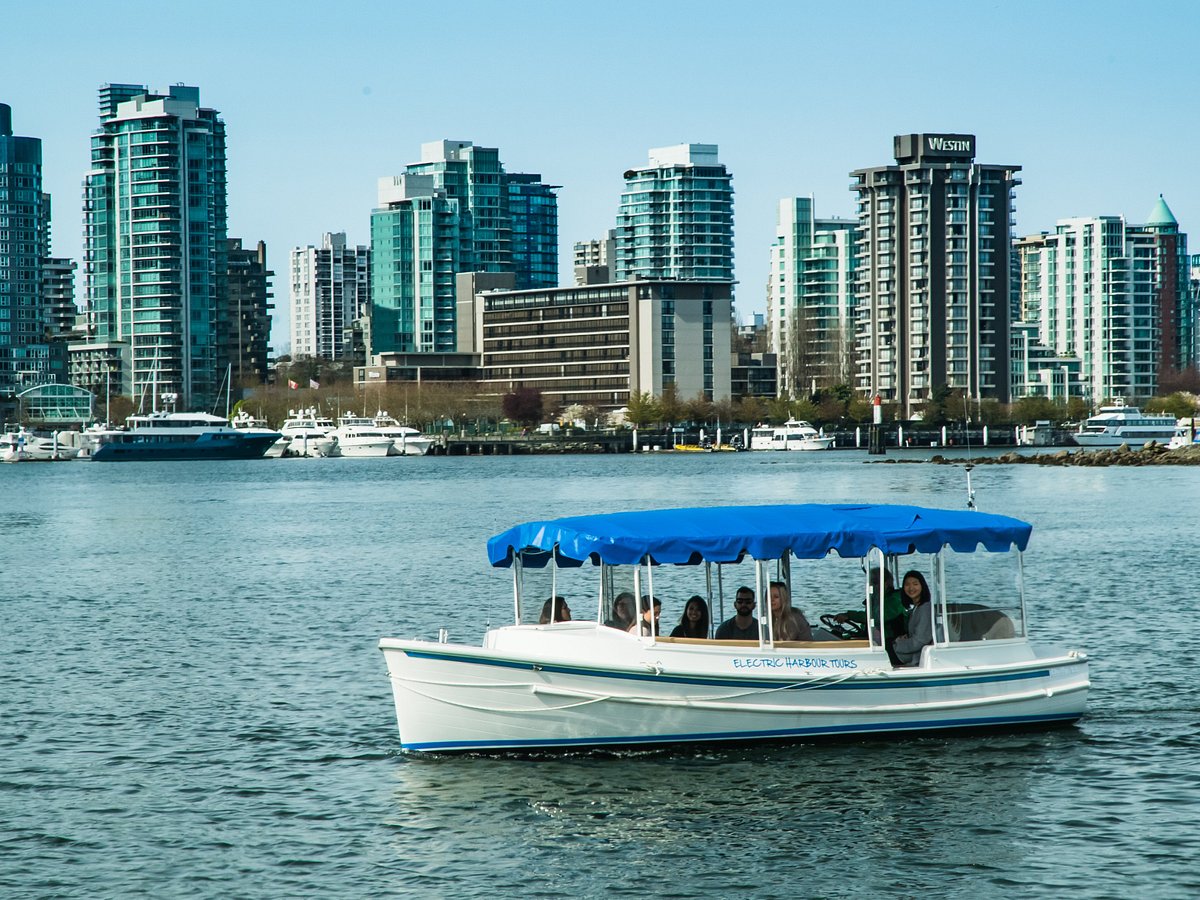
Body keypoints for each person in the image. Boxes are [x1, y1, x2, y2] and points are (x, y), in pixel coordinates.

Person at [893, 570, 934, 666]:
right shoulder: (916, 608)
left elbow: (919, 641)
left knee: (885, 648)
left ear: (922, 586)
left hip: (916, 657)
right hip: (912, 652)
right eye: (907, 584)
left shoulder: (925, 608)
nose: (911, 588)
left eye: (915, 584)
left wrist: (897, 644)